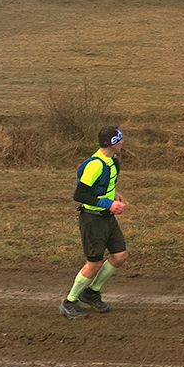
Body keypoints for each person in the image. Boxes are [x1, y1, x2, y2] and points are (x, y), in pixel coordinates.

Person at [59, 127, 129, 319]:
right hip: (92, 219)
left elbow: (100, 186)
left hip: (107, 218)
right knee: (94, 263)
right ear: (111, 143)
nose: (123, 142)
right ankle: (70, 302)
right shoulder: (95, 164)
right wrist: (109, 203)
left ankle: (91, 293)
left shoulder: (112, 162)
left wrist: (113, 194)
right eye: (119, 139)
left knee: (120, 256)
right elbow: (80, 194)